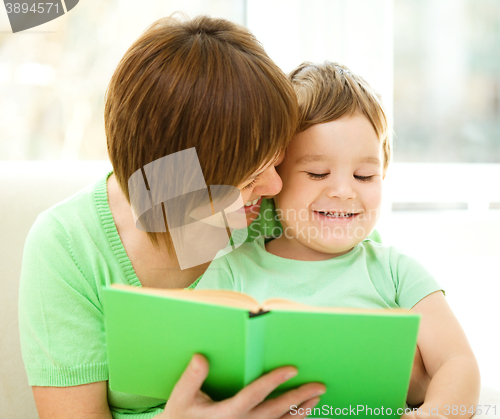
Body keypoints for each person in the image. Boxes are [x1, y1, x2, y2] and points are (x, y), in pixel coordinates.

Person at [18, 16, 328, 419]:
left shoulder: (274, 210)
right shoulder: (68, 246)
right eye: (250, 178)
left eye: (277, 160)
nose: (273, 186)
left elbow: (379, 296)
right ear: (178, 188)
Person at [195, 61, 481, 418]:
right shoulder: (230, 273)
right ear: (273, 179)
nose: (344, 191)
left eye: (364, 175)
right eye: (318, 173)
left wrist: (432, 414)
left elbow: (458, 363)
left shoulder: (396, 272)